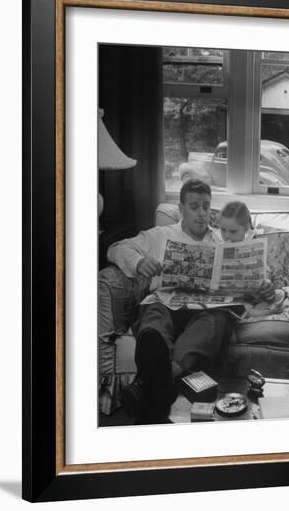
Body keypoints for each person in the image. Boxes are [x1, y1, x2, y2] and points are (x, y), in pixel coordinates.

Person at [107, 179, 233, 424]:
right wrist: (139, 262)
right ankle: (164, 381)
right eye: (194, 207)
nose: (202, 214)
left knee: (217, 321)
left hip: (203, 312)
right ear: (181, 208)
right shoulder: (160, 235)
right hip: (166, 302)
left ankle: (150, 384)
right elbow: (115, 248)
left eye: (206, 207)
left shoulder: (220, 242)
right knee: (155, 316)